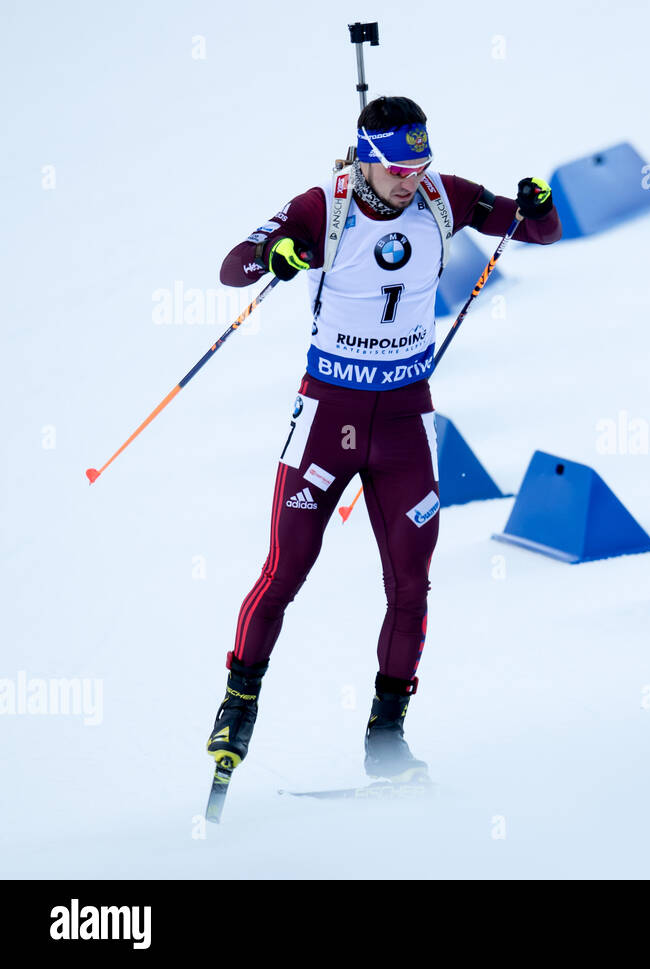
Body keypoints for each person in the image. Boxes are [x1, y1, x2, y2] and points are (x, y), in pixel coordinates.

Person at [205, 95, 561, 783]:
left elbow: (535, 231)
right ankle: (238, 703)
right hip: (328, 418)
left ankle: (387, 736)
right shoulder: (325, 207)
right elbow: (233, 264)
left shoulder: (441, 198)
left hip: (402, 421)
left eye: (420, 163)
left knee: (410, 584)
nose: (411, 178)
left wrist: (536, 204)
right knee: (286, 570)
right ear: (366, 160)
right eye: (397, 166)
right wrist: (273, 254)